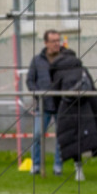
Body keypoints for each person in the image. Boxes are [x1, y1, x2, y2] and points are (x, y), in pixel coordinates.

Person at [51, 48, 97, 181]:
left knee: (70, 138)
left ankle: (76, 167)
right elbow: (92, 88)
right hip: (83, 107)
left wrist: (57, 109)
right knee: (82, 137)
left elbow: (54, 92)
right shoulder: (82, 69)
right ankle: (81, 168)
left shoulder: (58, 70)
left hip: (66, 108)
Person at [26, 30, 68, 175]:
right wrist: (38, 94)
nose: (57, 43)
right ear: (46, 43)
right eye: (53, 41)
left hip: (61, 104)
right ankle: (36, 165)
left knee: (61, 136)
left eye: (58, 40)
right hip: (43, 105)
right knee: (37, 135)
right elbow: (30, 81)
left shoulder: (65, 58)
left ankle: (58, 167)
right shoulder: (37, 60)